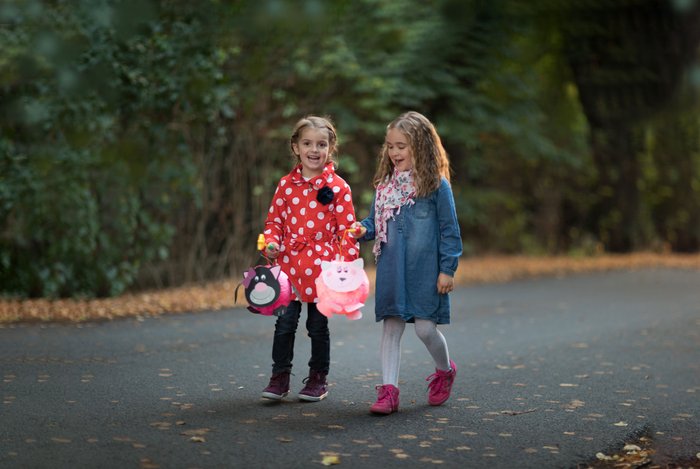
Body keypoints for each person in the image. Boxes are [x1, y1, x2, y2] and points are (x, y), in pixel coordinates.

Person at [352, 111, 462, 415]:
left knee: (426, 330)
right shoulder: (384, 185)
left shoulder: (436, 186)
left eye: (402, 146)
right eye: (390, 146)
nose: (394, 152)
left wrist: (447, 269)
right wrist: (362, 229)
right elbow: (375, 222)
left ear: (421, 147)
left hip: (424, 272)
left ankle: (445, 370)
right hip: (391, 269)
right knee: (391, 327)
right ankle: (389, 391)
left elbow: (449, 230)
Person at [261, 115, 359, 402]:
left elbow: (348, 230)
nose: (314, 150)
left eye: (321, 144)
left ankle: (318, 379)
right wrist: (272, 243)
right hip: (289, 264)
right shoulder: (286, 185)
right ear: (295, 147)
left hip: (323, 268)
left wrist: (347, 267)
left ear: (331, 148)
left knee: (317, 326)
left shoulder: (338, 187)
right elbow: (274, 222)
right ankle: (279, 377)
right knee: (285, 323)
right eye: (307, 143)